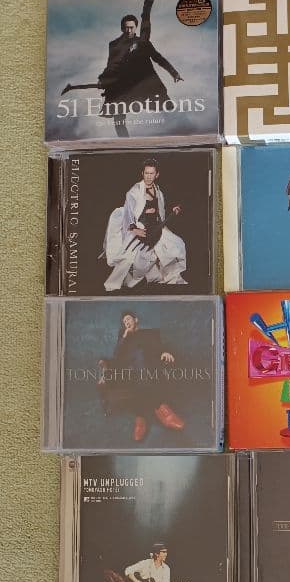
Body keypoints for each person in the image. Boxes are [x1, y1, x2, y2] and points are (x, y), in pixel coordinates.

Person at [99, 0, 183, 137]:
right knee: (118, 114)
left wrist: (174, 73)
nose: (129, 30)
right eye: (126, 27)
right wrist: (104, 79)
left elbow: (158, 58)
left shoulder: (142, 42)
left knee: (165, 105)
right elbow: (111, 64)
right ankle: (124, 142)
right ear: (122, 28)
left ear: (135, 27)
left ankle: (177, 134)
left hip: (142, 80)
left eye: (131, 27)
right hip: (123, 82)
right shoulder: (114, 45)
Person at [97, 311, 185, 441]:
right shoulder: (123, 336)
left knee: (141, 355)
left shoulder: (150, 333)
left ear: (136, 320)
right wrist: (125, 337)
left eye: (128, 319)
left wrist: (165, 352)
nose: (126, 323)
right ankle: (160, 406)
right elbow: (117, 356)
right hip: (127, 369)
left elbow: (159, 347)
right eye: (124, 322)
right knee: (139, 358)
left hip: (147, 366)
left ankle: (141, 416)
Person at [103, 159, 187, 291]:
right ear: (142, 173)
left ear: (157, 175)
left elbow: (161, 209)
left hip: (156, 228)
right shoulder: (134, 191)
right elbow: (128, 212)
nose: (148, 176)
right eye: (146, 173)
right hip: (140, 227)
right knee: (129, 259)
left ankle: (171, 278)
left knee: (175, 245)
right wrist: (134, 229)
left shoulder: (158, 191)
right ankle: (113, 285)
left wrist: (173, 209)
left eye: (151, 173)